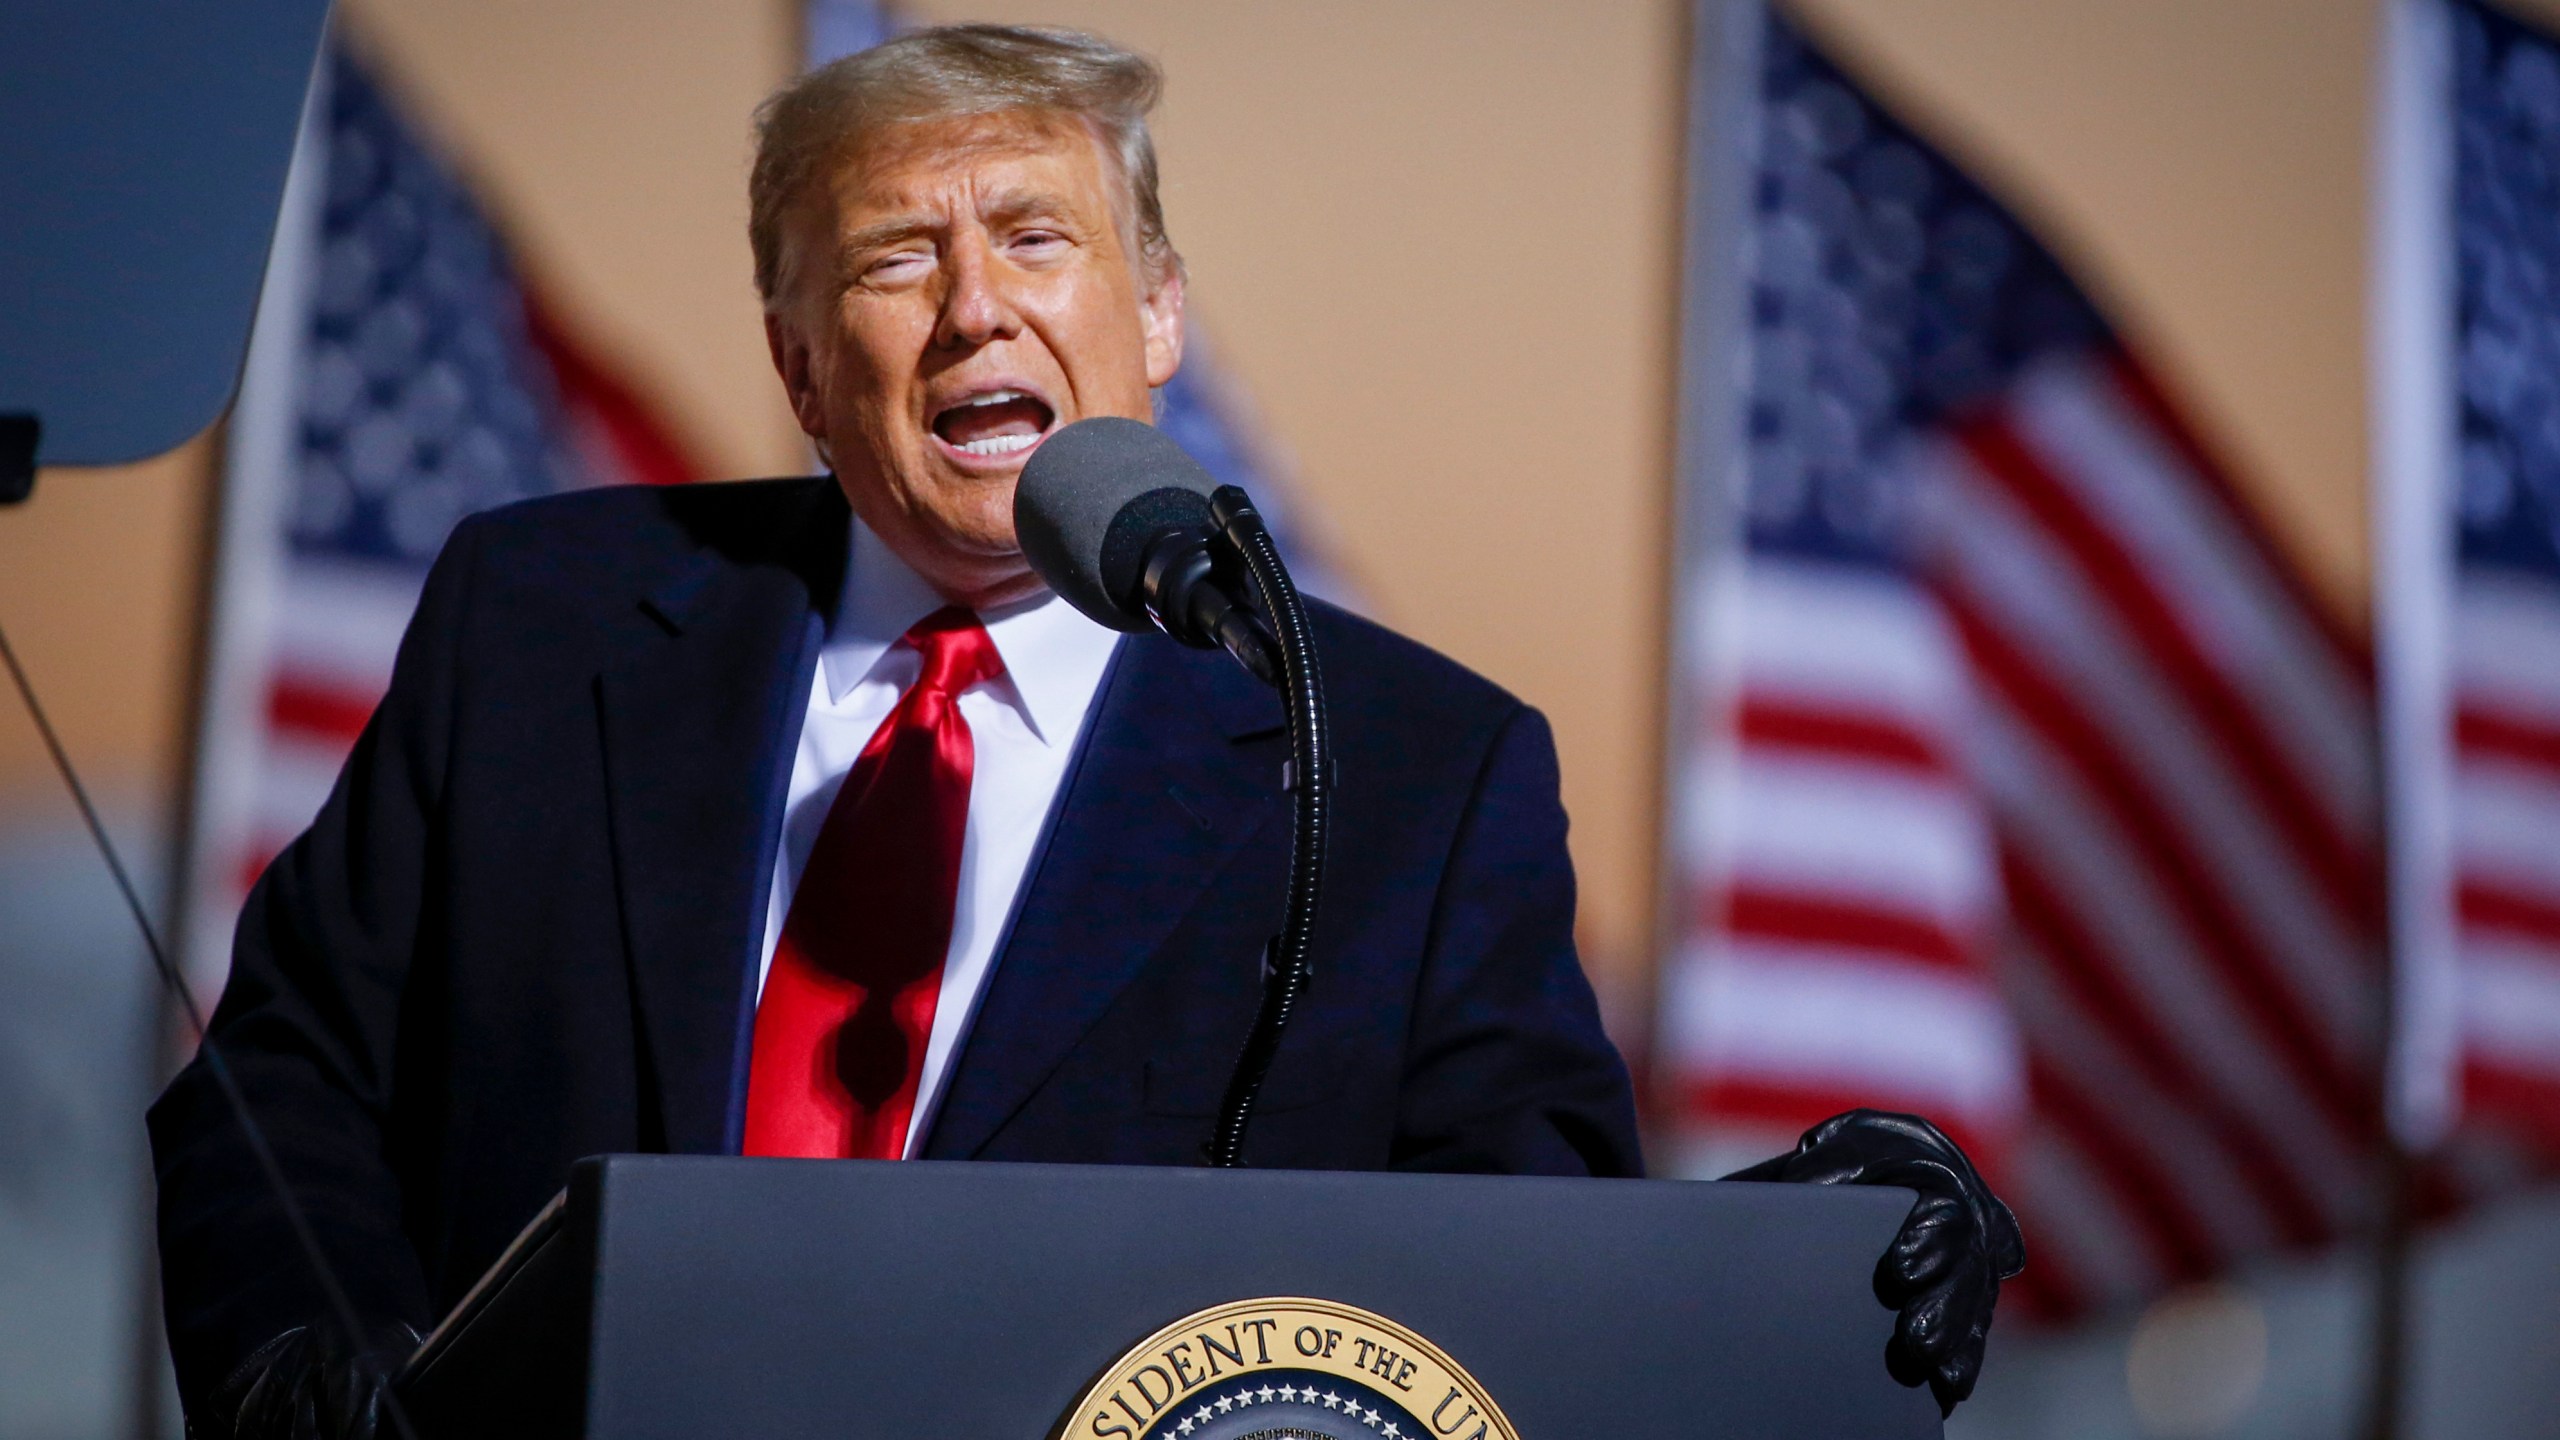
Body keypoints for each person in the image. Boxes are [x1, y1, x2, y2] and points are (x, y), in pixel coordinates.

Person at [148, 25, 2021, 1439]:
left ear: (1160, 316)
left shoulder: (1405, 775)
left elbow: (1503, 1285)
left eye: (1037, 237)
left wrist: (1791, 1254)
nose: (976, 308)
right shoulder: (543, 622)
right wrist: (321, 1380)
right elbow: (281, 1074)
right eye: (893, 259)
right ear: (801, 363)